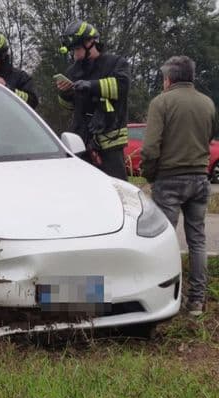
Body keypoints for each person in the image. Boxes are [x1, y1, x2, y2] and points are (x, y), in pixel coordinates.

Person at [141, 56, 217, 316]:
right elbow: (208, 138)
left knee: (162, 240)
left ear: (168, 79)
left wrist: (150, 176)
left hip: (169, 179)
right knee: (197, 240)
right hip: (199, 178)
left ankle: (164, 298)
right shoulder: (207, 103)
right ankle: (197, 301)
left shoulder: (161, 103)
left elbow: (150, 148)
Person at [56, 20, 130, 180]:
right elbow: (69, 107)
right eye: (72, 50)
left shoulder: (115, 63)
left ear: (90, 43)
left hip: (110, 141)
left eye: (77, 48)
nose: (75, 54)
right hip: (81, 141)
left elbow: (122, 87)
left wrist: (91, 85)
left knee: (116, 186)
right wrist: (64, 93)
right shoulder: (73, 70)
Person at [0, 32, 38, 109]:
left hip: (13, 120)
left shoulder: (20, 77)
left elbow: (33, 102)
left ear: (3, 56)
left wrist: (7, 89)